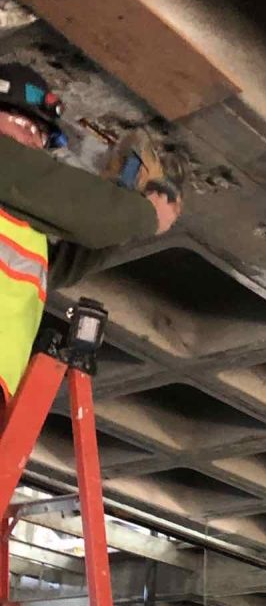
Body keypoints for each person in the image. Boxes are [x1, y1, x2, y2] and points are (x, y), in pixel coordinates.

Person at [0, 62, 181, 403]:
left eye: (41, 135)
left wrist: (122, 200)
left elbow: (59, 265)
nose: (33, 141)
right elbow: (56, 193)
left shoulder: (18, 219)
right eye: (23, 124)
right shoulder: (11, 168)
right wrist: (145, 214)